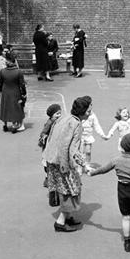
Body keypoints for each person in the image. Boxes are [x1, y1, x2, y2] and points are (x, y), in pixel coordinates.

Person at [43, 96, 93, 232]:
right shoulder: (76, 124)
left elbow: (51, 137)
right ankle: (60, 222)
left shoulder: (64, 117)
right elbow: (72, 150)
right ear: (82, 111)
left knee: (63, 189)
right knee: (71, 190)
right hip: (63, 162)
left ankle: (69, 216)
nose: (90, 113)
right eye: (88, 111)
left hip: (52, 159)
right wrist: (84, 165)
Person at [0, 50, 27, 133]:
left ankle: (5, 124)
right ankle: (15, 124)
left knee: (5, 107)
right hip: (15, 92)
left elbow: (0, 83)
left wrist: (1, 90)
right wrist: (24, 93)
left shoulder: (2, 71)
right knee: (16, 108)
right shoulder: (18, 72)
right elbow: (22, 85)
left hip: (5, 91)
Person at [38, 103, 62, 195]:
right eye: (57, 114)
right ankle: (47, 178)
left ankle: (50, 178)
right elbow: (43, 133)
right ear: (52, 115)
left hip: (54, 145)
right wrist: (44, 136)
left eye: (60, 113)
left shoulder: (57, 121)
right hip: (48, 146)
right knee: (47, 163)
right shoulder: (49, 123)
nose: (59, 115)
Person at [81, 99, 106, 164]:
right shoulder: (80, 114)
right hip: (80, 136)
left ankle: (87, 165)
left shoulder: (93, 116)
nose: (90, 106)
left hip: (88, 136)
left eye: (91, 105)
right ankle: (80, 165)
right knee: (81, 152)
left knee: (88, 152)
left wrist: (102, 135)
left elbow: (97, 126)